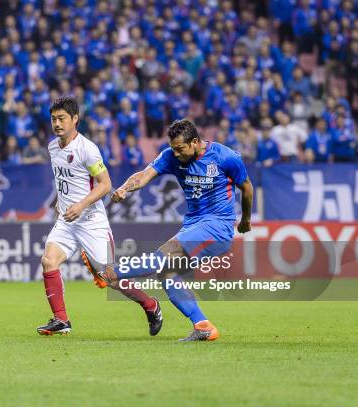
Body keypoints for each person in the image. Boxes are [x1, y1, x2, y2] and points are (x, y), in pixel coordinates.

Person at [104, 119, 253, 341]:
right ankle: (203, 326)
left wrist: (245, 220)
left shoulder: (225, 157)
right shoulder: (170, 156)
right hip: (193, 225)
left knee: (162, 257)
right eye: (173, 148)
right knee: (167, 273)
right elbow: (144, 175)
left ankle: (113, 271)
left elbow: (247, 188)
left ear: (195, 142)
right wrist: (125, 188)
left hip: (217, 226)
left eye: (180, 149)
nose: (176, 154)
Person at [37, 96, 162, 336]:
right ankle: (61, 320)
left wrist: (81, 205)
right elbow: (64, 181)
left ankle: (151, 305)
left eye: (62, 118)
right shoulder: (53, 147)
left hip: (91, 221)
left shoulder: (87, 149)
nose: (57, 123)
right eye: (53, 119)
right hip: (66, 218)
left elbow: (105, 185)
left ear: (75, 119)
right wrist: (58, 202)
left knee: (112, 278)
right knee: (48, 261)